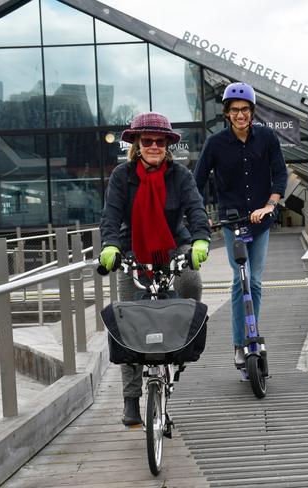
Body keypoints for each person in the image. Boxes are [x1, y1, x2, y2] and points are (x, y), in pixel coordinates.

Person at [99, 111, 211, 425]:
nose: (153, 146)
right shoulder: (122, 176)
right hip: (133, 246)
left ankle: (184, 343)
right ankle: (131, 399)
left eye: (159, 141)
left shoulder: (180, 176)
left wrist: (201, 240)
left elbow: (195, 209)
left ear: (167, 145)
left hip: (174, 243)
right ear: (136, 143)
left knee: (190, 281)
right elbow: (111, 215)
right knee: (128, 319)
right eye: (146, 140)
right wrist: (110, 247)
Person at [194, 82, 287, 367]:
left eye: (245, 109)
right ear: (226, 113)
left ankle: (251, 334)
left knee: (255, 281)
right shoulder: (215, 144)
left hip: (259, 222)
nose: (240, 115)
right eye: (234, 110)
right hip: (232, 222)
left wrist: (269, 205)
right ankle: (239, 342)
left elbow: (280, 175)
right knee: (240, 280)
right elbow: (196, 182)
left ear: (252, 112)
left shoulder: (267, 138)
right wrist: (201, 213)